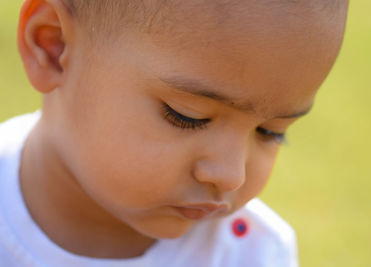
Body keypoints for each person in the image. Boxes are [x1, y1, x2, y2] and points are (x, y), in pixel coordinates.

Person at [0, 0, 348, 266]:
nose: (231, 176)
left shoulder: (251, 253)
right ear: (53, 47)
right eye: (187, 117)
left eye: (270, 132)